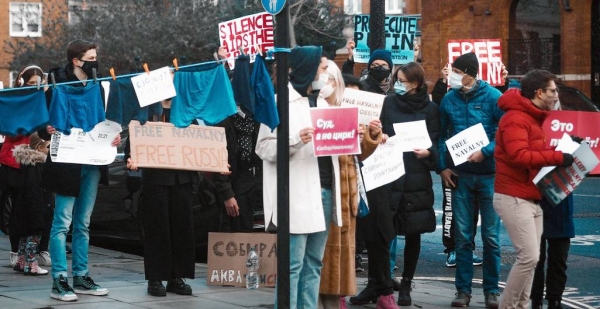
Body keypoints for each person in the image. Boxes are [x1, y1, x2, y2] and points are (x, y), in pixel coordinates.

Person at [255, 46, 342, 309]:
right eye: (322, 68)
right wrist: (295, 140)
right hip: (296, 194)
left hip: (325, 190)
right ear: (307, 68)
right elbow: (263, 147)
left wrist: (354, 136)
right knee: (293, 265)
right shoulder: (280, 102)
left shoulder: (324, 102)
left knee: (314, 263)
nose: (325, 74)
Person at [351, 62, 440, 309]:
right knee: (380, 231)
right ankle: (377, 283)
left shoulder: (431, 109)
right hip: (387, 173)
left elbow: (435, 140)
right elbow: (375, 132)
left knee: (413, 230)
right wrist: (380, 135)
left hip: (415, 175)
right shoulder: (388, 103)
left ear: (416, 83)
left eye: (403, 81)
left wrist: (429, 153)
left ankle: (407, 284)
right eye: (396, 79)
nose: (397, 84)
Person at [39, 39, 120, 302]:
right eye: (92, 56)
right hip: (66, 161)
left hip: (93, 161)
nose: (96, 61)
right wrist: (47, 129)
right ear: (76, 60)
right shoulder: (55, 84)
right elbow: (42, 123)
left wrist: (114, 138)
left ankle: (81, 276)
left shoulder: (98, 86)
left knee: (83, 223)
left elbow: (104, 123)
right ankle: (59, 279)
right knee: (62, 222)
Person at [494, 69, 571, 309]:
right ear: (539, 93)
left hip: (530, 196)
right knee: (529, 257)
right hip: (513, 196)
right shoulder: (516, 117)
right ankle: (509, 306)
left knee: (532, 260)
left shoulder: (534, 116)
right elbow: (519, 156)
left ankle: (520, 306)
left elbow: (532, 153)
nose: (556, 95)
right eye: (552, 90)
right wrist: (557, 157)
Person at [437, 52, 504, 308]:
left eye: (455, 70)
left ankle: (492, 292)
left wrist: (485, 151)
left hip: (489, 176)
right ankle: (462, 291)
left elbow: (505, 134)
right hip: (461, 177)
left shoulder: (493, 98)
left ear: (469, 73)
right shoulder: (448, 99)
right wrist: (442, 166)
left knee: (491, 238)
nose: (451, 74)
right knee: (463, 237)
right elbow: (441, 135)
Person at [318, 60, 382, 309]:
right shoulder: (316, 109)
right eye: (325, 76)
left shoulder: (346, 110)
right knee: (320, 258)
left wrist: (370, 135)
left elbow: (358, 154)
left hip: (346, 199)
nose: (327, 82)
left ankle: (334, 301)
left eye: (331, 78)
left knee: (337, 263)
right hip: (328, 193)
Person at [126, 98, 197, 297]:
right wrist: (131, 159)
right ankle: (155, 278)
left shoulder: (184, 110)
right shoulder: (147, 113)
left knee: (182, 228)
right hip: (155, 179)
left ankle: (177, 277)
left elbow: (199, 142)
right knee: (157, 229)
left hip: (181, 179)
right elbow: (133, 142)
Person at [0, 65, 51, 268]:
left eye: (38, 84)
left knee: (42, 207)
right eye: (31, 84)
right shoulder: (14, 99)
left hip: (39, 160)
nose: (35, 88)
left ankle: (39, 249)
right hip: (14, 160)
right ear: (21, 83)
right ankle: (16, 250)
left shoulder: (45, 98)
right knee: (16, 208)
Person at [10, 132, 53, 275]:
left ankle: (21, 261)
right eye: (49, 146)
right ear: (40, 148)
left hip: (25, 207)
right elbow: (36, 191)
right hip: (35, 207)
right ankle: (31, 264)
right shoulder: (38, 166)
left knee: (25, 234)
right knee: (34, 235)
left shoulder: (28, 164)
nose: (51, 149)